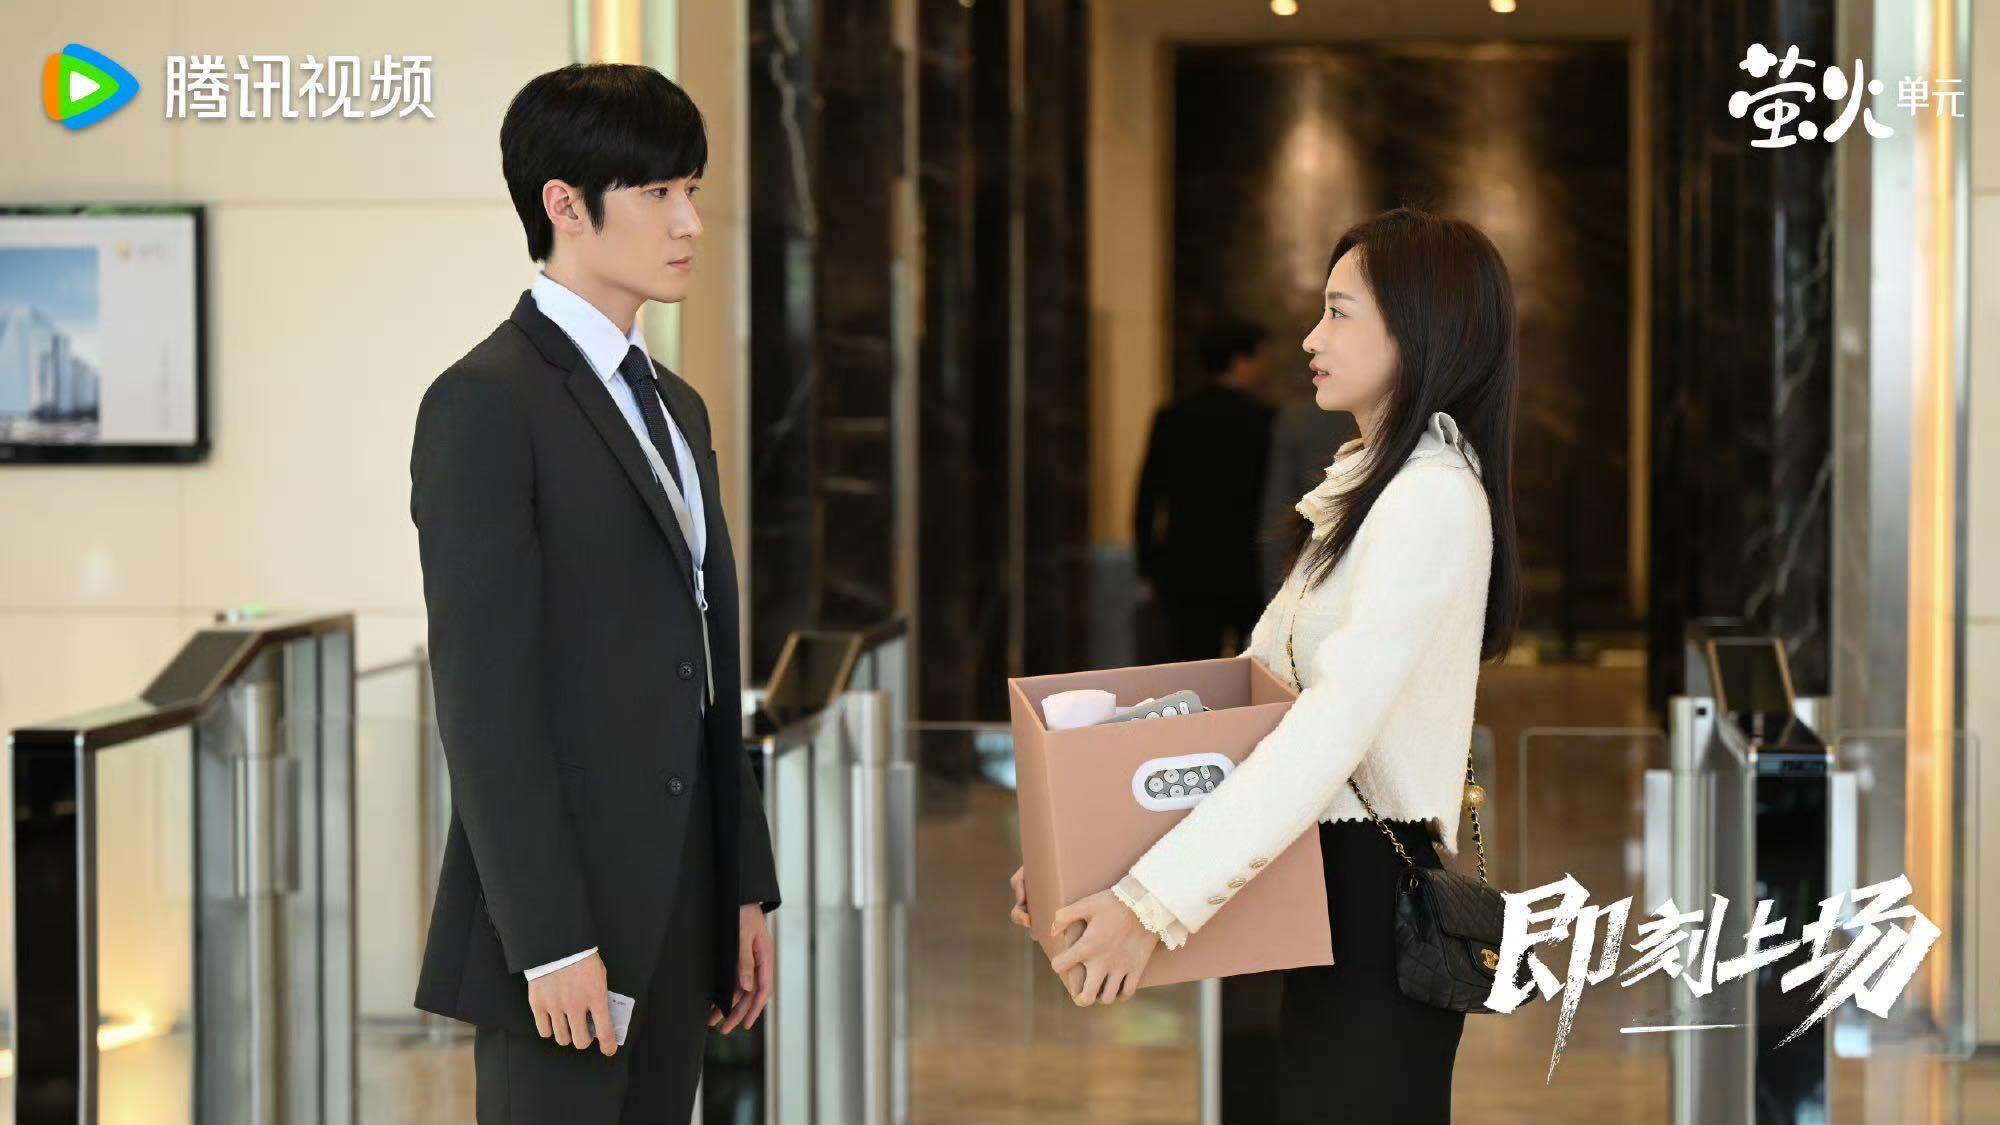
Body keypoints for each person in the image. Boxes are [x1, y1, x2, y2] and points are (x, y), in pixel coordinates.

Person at [1010, 207, 1522, 1124]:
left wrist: (1149, 900)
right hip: (1298, 886)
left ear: (1418, 329)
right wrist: (1083, 855)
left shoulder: (1432, 499)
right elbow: (1251, 698)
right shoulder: (1374, 488)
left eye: (1339, 312)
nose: (1310, 338)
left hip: (1370, 899)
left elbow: (1324, 729)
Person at [409, 64, 781, 1124]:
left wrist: (741, 881)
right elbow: (482, 699)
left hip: (684, 897)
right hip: (563, 920)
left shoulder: (675, 405)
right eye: (658, 192)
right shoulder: (485, 402)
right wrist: (548, 939)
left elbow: (701, 662)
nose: (690, 222)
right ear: (563, 205)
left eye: (691, 189)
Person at [1132, 319, 1276, 661]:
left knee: (1192, 668)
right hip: (1246, 568)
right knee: (1251, 671)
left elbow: (1148, 496)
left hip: (1185, 568)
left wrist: (1148, 567)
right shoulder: (1265, 420)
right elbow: (1274, 498)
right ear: (1241, 361)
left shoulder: (1172, 417)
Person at [1258, 401, 1359, 598]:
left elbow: (1277, 507)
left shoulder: (1298, 418)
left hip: (1314, 564)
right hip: (1330, 564)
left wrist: (1274, 589)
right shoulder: (1298, 418)